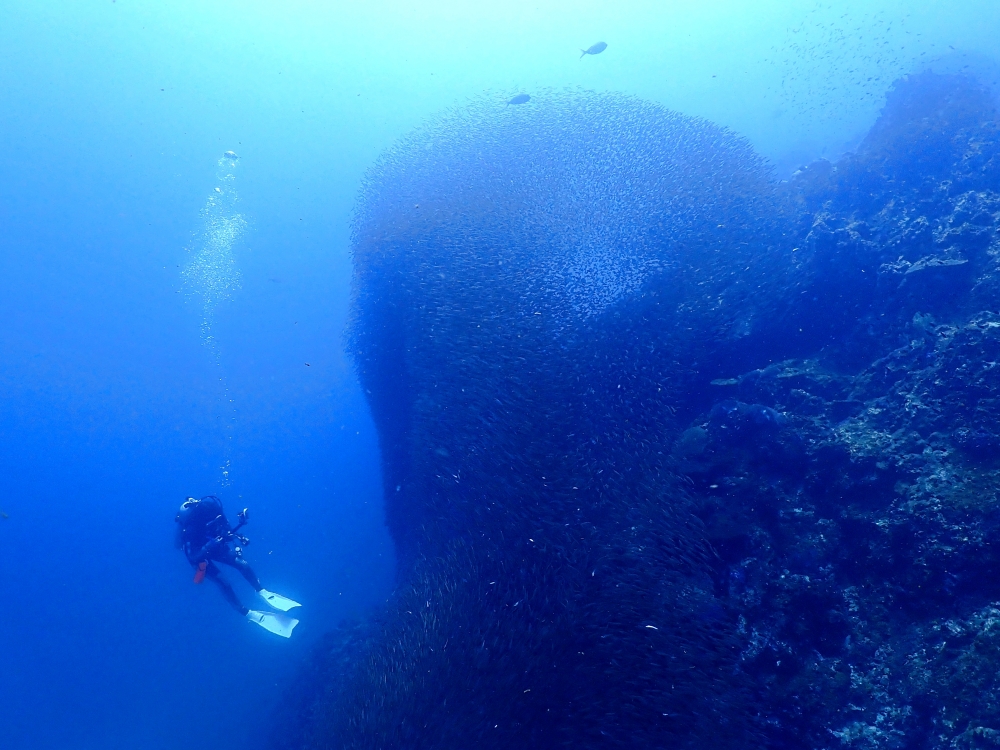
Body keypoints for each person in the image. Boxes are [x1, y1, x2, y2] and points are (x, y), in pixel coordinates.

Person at [175, 495, 301, 638]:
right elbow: (192, 556)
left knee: (242, 564)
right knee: (224, 581)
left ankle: (261, 591)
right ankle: (245, 612)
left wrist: (229, 535)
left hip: (214, 544)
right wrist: (207, 547)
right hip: (198, 555)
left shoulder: (213, 509)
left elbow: (226, 528)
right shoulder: (190, 527)